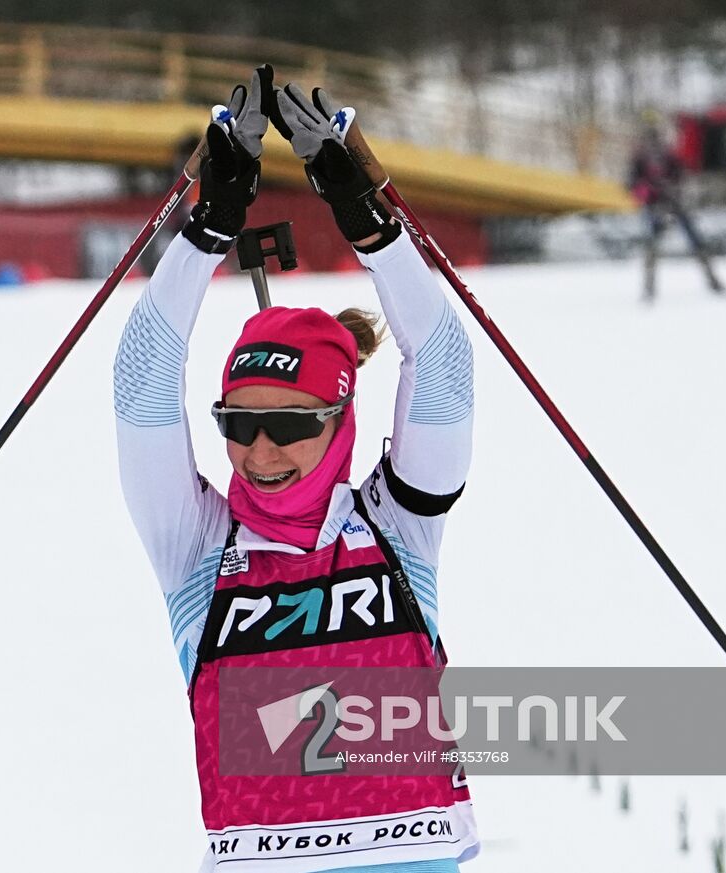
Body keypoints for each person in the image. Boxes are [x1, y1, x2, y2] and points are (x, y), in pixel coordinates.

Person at [114, 66, 479, 872]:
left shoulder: (397, 523)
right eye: (238, 423)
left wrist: (370, 224)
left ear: (342, 421)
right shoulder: (196, 544)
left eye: (290, 424)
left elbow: (444, 364)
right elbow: (142, 382)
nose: (261, 450)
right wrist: (204, 231)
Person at [628, 122, 725, 301]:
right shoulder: (640, 160)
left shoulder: (669, 157)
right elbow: (631, 185)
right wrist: (647, 192)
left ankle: (713, 281)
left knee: (696, 243)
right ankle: (649, 288)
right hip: (655, 207)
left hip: (675, 204)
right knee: (652, 247)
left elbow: (682, 176)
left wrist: (675, 190)